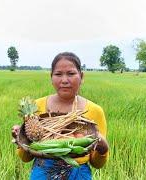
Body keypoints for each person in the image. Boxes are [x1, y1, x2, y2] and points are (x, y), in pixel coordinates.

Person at [11, 52, 109, 180]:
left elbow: (97, 164)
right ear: (51, 77)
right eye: (58, 74)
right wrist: (22, 140)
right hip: (42, 173)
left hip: (78, 174)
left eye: (71, 73)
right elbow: (26, 158)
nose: (64, 80)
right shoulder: (36, 107)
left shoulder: (94, 111)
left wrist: (103, 148)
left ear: (82, 76)